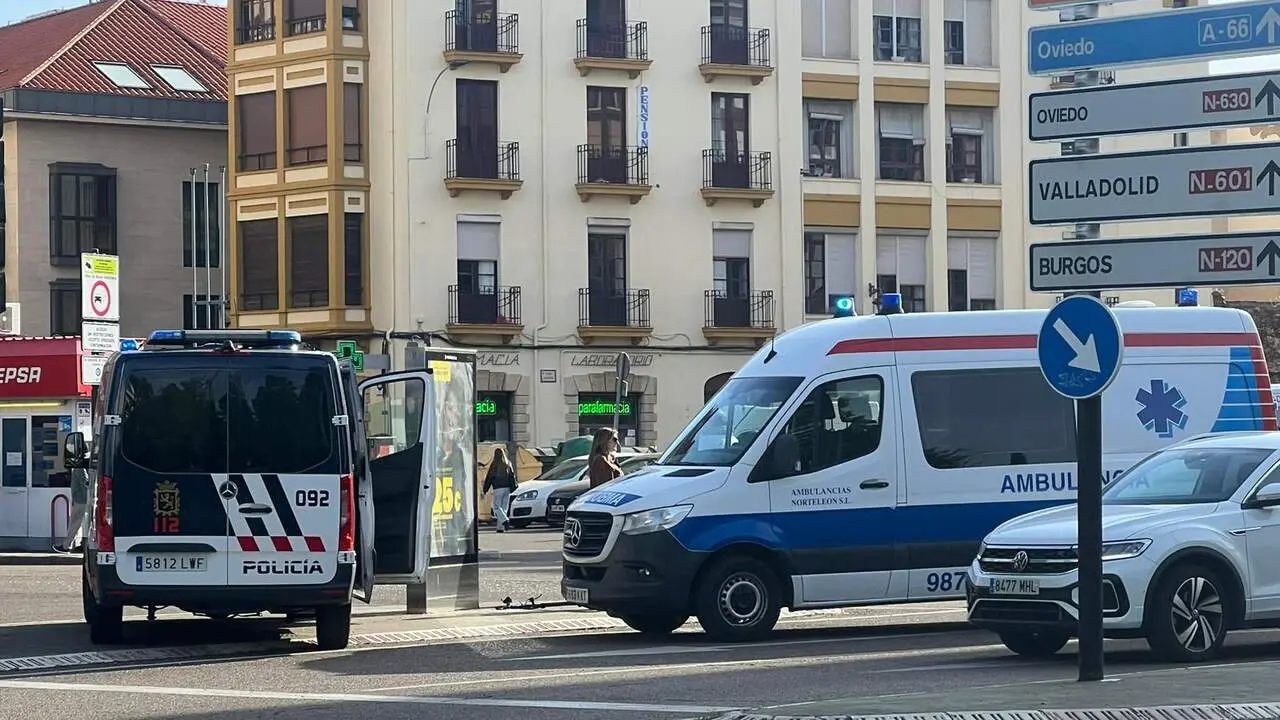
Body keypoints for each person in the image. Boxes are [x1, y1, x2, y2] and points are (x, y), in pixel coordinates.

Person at [483, 445, 518, 532]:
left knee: (496, 507)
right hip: (507, 489)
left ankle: (505, 520)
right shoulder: (508, 464)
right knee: (504, 508)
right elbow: (512, 476)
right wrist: (513, 487)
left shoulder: (494, 464)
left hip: (498, 488)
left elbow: (489, 477)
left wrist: (485, 489)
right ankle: (500, 528)